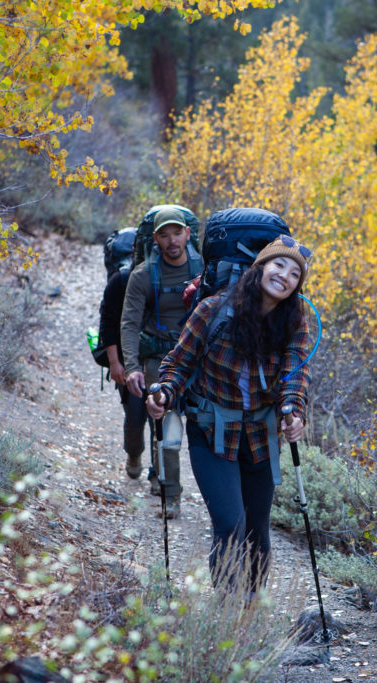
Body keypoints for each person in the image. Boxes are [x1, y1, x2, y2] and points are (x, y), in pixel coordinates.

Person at [146, 234, 312, 594]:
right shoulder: (212, 309)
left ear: (298, 285)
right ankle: (226, 608)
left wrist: (293, 412)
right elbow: (178, 362)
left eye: (294, 274)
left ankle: (250, 606)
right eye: (278, 264)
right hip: (211, 433)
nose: (284, 276)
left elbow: (295, 375)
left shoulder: (295, 322)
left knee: (257, 529)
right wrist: (164, 393)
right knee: (229, 524)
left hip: (261, 438)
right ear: (261, 267)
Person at [121, 206, 202, 519]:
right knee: (165, 425)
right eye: (165, 235)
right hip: (157, 358)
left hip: (195, 358)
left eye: (177, 233)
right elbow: (129, 323)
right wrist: (131, 368)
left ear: (187, 233)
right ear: (155, 238)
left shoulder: (203, 268)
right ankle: (171, 494)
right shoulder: (143, 275)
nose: (172, 241)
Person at [94, 229, 146, 481]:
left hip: (164, 357)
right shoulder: (122, 279)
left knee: (164, 420)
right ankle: (134, 454)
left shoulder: (177, 276)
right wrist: (114, 363)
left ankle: (162, 476)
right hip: (129, 358)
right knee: (135, 416)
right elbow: (109, 323)